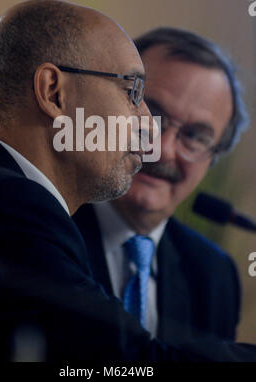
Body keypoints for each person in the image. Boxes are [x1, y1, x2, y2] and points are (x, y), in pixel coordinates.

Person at [0, 1, 254, 363]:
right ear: (54, 92)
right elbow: (124, 362)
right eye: (135, 93)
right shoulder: (9, 203)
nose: (151, 134)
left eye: (195, 135)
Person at [74, 27, 249, 345]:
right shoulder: (44, 230)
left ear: (214, 157)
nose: (164, 148)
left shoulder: (214, 275)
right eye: (152, 114)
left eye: (195, 136)